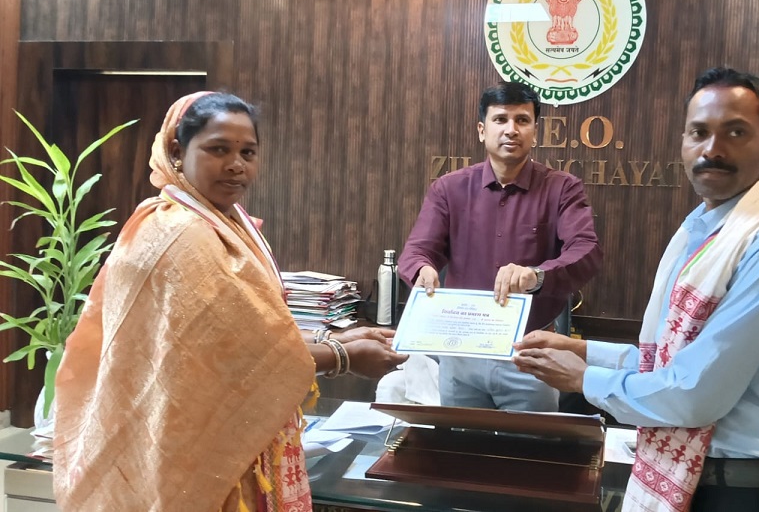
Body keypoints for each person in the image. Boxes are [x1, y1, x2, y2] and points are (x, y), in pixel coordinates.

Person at [53, 92, 408, 511]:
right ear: (176, 151)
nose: (237, 164)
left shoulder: (227, 223)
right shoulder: (176, 232)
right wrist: (344, 357)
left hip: (233, 425)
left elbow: (247, 326)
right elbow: (235, 353)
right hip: (196, 437)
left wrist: (337, 337)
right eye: (218, 149)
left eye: (248, 152)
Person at [514, 67, 759, 512]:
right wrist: (582, 350)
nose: (712, 150)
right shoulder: (701, 233)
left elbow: (693, 393)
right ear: (683, 141)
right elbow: (668, 361)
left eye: (735, 132)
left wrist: (583, 379)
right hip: (703, 479)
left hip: (749, 492)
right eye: (699, 133)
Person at [398, 81, 602, 412]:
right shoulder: (448, 189)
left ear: (535, 131)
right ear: (482, 130)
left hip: (529, 354)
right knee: (460, 440)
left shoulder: (563, 188)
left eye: (522, 120)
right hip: (461, 350)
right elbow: (417, 250)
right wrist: (421, 269)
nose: (511, 129)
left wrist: (537, 275)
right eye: (500, 119)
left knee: (530, 443)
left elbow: (586, 251)